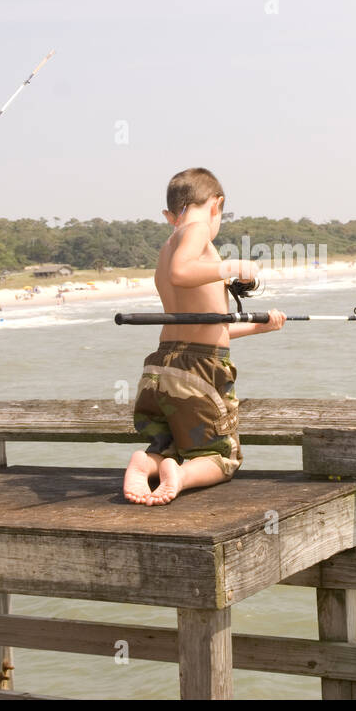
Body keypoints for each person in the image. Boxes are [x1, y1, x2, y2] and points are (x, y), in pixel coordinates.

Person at [123, 167, 285, 506]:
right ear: (216, 204)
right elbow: (182, 273)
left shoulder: (167, 246)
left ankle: (150, 462)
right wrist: (234, 267)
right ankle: (179, 477)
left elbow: (208, 326)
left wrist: (260, 325)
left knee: (173, 447)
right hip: (199, 371)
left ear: (169, 215)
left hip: (162, 367)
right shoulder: (196, 230)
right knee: (220, 457)